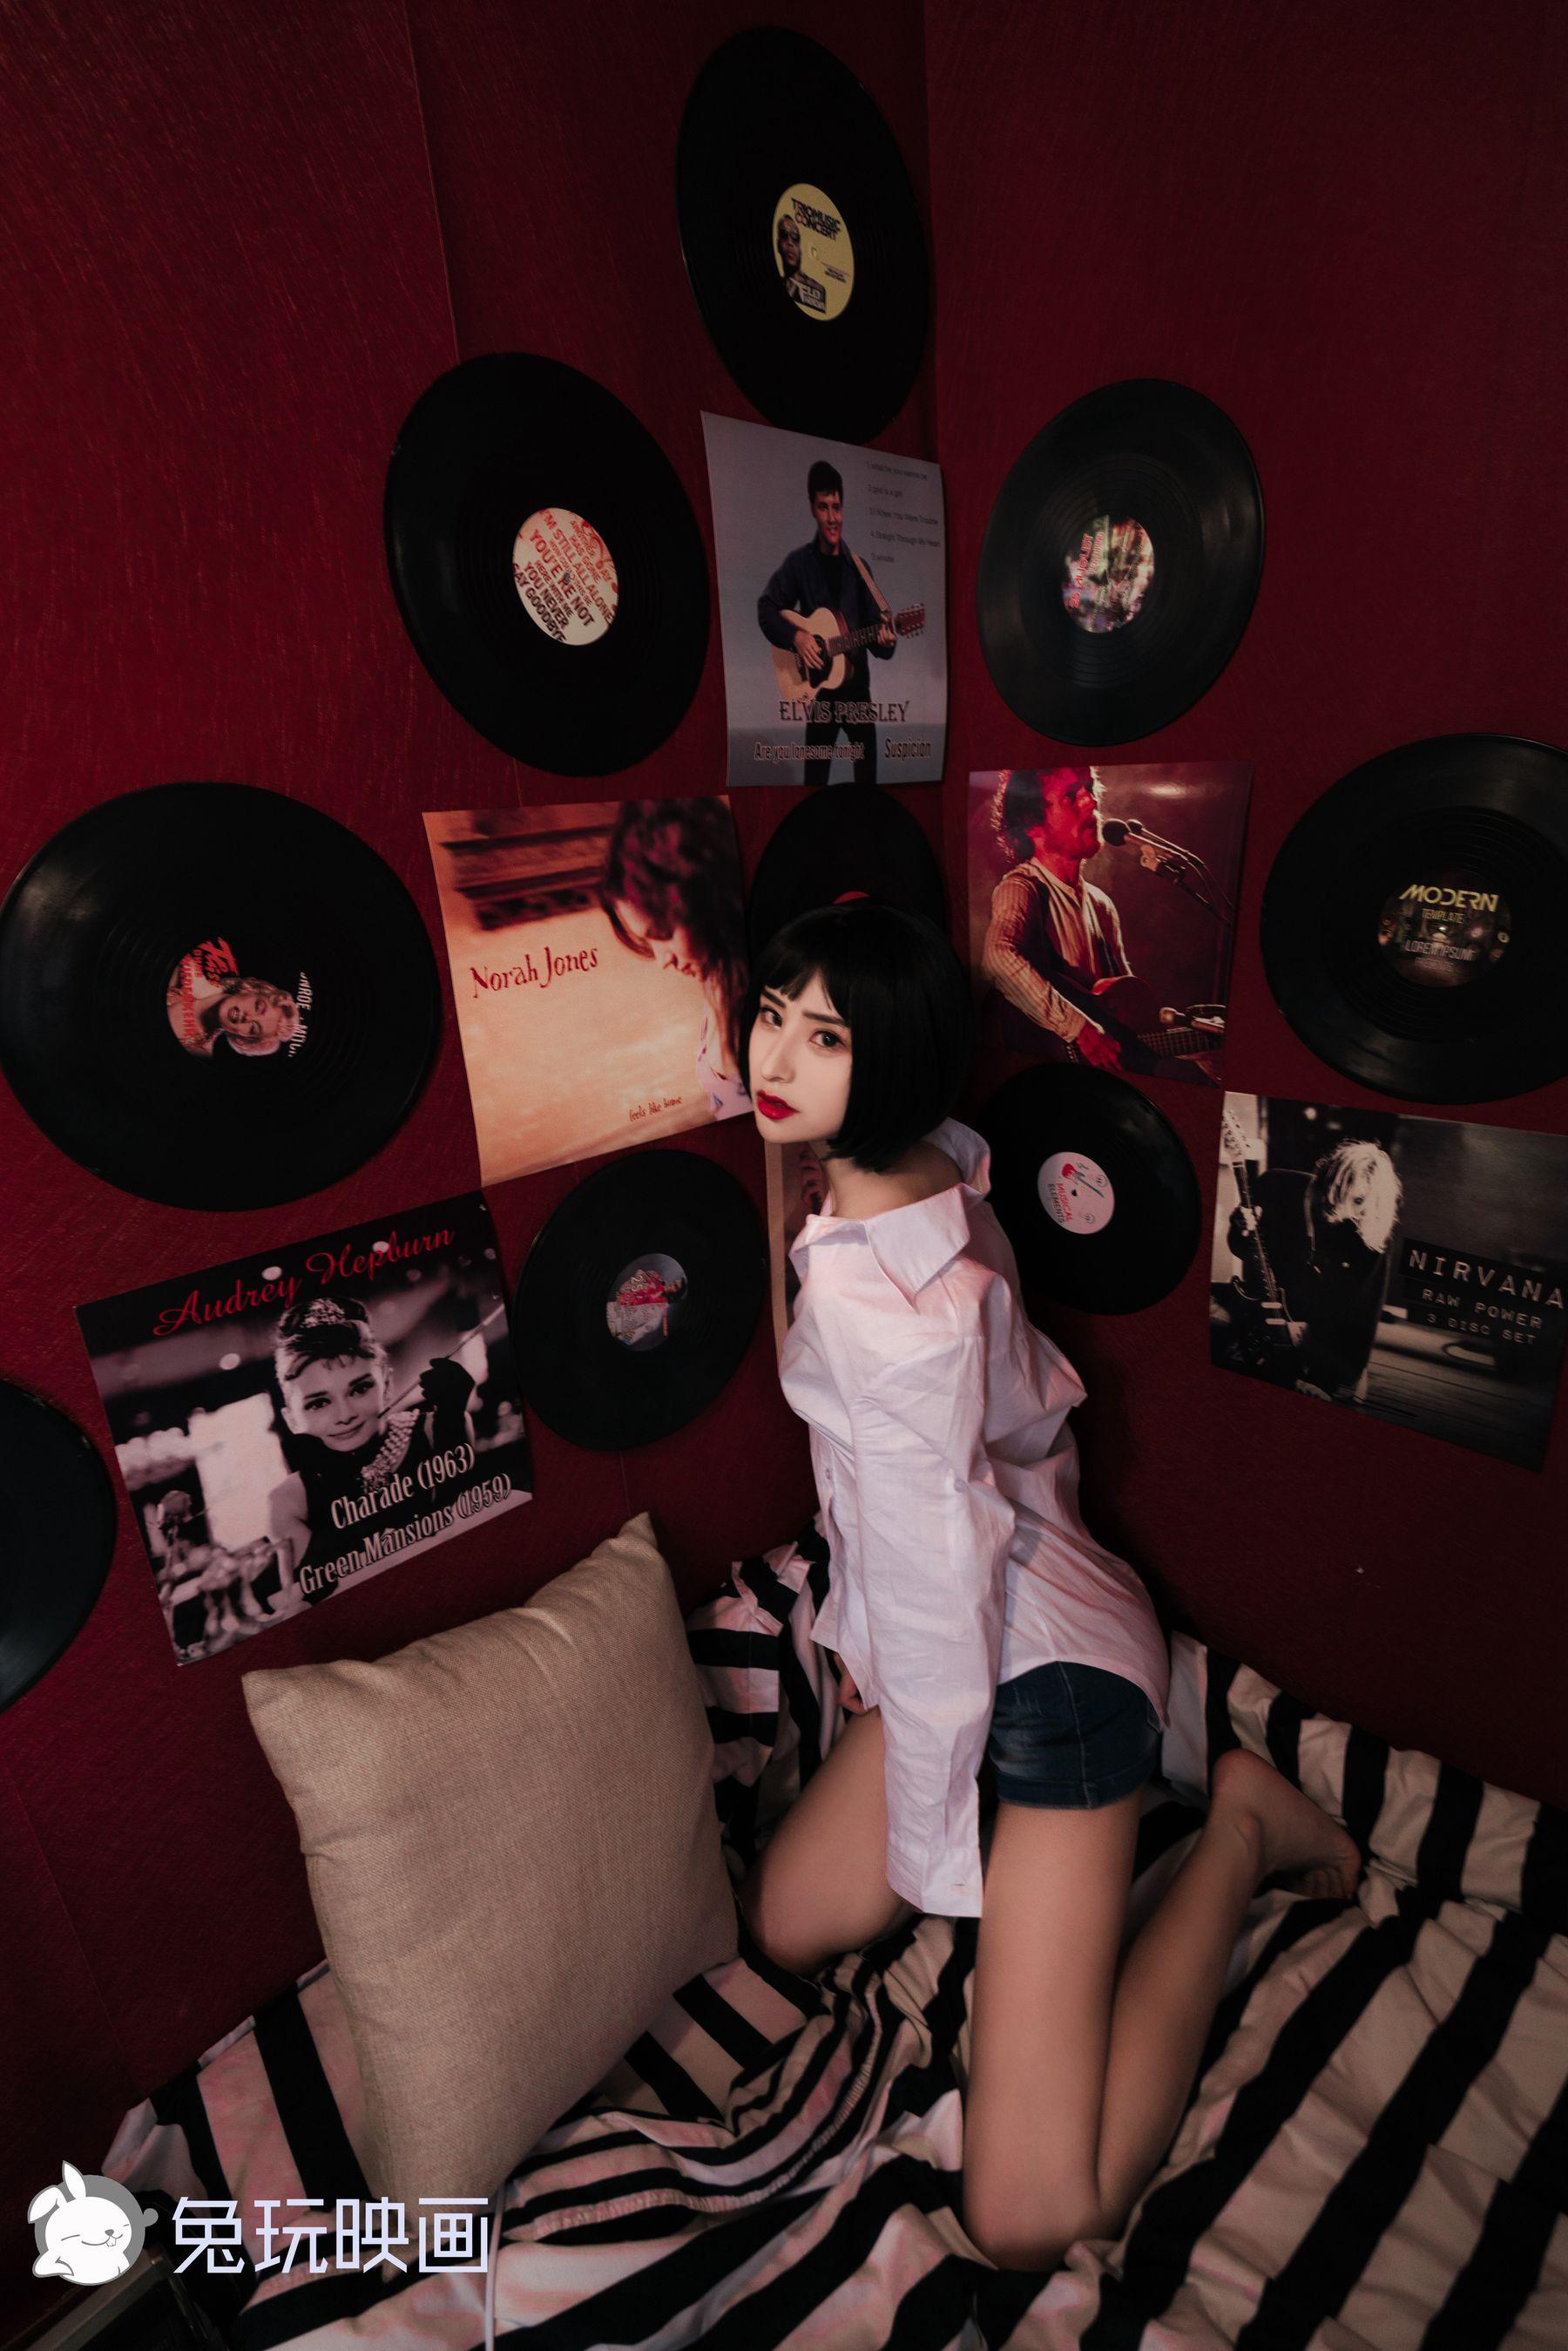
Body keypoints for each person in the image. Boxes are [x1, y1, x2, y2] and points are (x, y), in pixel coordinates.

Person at [736, 901, 1362, 2273]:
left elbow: (938, 1608)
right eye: (772, 1013)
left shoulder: (892, 1318)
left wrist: (937, 1831)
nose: (771, 1056)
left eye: (826, 1036)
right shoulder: (919, 1169)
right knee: (782, 1920)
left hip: (1051, 1687)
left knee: (1031, 2213)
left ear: (897, 1060)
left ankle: (1241, 1823)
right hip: (990, 1600)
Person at [267, 1294, 476, 1605]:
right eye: (318, 1403)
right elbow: (325, 1597)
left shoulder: (437, 1429)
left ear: (387, 1386)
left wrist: (452, 1426)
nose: (345, 1415)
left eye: (360, 1388)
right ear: (291, 1419)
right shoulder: (288, 1501)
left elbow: (469, 1534)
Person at [1211, 1135, 1401, 1402]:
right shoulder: (1275, 1184)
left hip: (1316, 1324)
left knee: (1336, 1374)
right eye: (1337, 1191)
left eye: (1357, 1201)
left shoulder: (1369, 1232)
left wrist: (1322, 1377)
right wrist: (1240, 1228)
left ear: (1371, 1203)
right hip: (1259, 1303)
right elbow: (1241, 1249)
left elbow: (1360, 1317)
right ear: (1327, 1175)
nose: (1340, 1207)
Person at [598, 799, 750, 1120]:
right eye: (647, 941)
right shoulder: (715, 975)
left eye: (661, 932)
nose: (661, 960)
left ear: (705, 904)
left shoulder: (769, 1000)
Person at [980, 769, 1134, 1069]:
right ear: (1032, 824)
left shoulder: (1102, 906)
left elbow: (1132, 1007)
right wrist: (1078, 1028)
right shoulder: (1022, 887)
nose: (1091, 802)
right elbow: (997, 958)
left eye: (1090, 788)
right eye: (1071, 796)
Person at [758, 459, 897, 786]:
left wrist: (887, 641)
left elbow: (879, 642)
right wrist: (797, 637)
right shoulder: (799, 564)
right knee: (814, 785)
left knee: (868, 787)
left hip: (858, 695)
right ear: (812, 508)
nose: (832, 518)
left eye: (837, 507)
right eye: (824, 507)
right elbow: (766, 609)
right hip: (820, 695)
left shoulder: (860, 569)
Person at [775, 212, 825, 312]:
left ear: (800, 250)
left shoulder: (817, 289)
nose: (790, 242)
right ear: (778, 245)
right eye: (784, 236)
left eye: (795, 238)